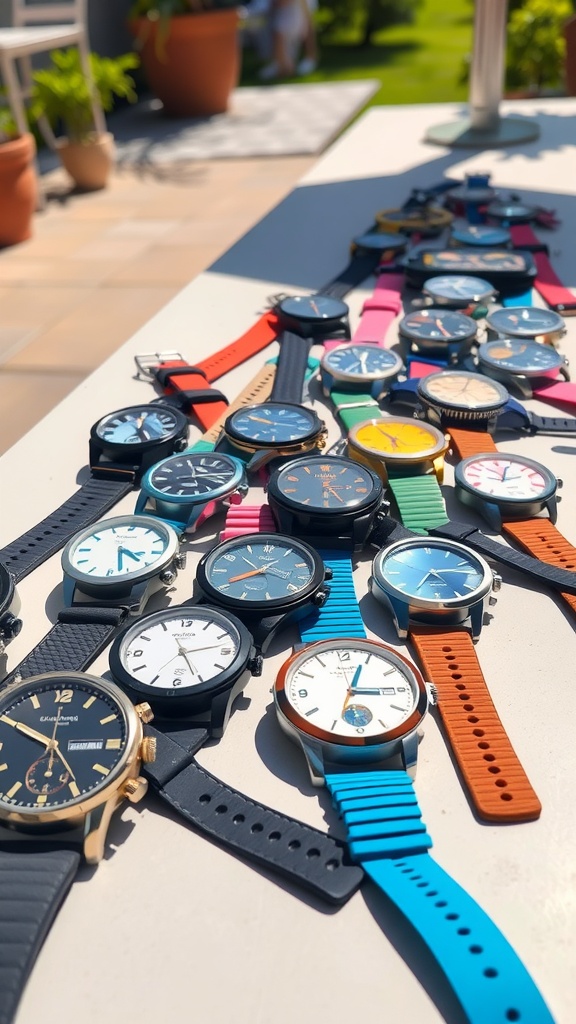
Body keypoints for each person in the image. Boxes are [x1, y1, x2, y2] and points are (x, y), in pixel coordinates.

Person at [258, 0, 318, 81]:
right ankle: (283, 67)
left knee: (281, 48)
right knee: (286, 51)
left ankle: (285, 68)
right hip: (292, 20)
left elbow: (282, 3)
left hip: (287, 21)